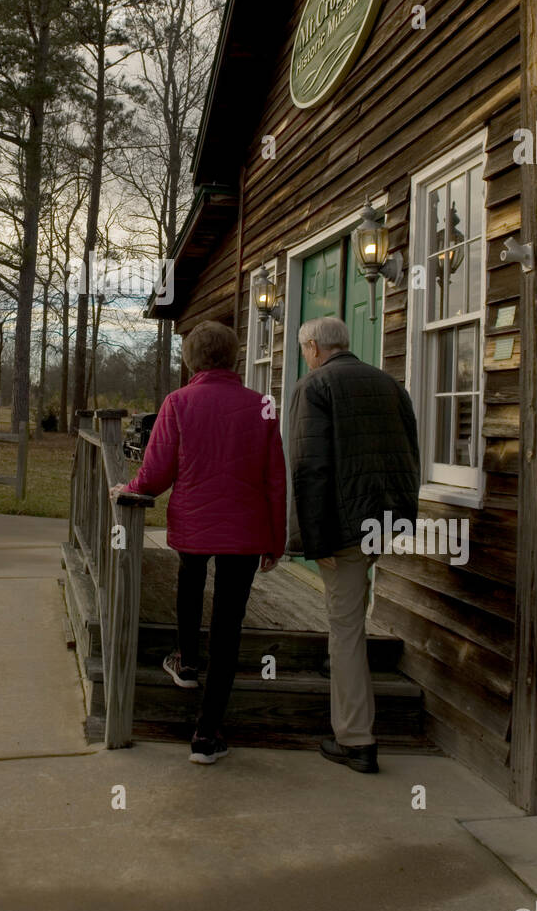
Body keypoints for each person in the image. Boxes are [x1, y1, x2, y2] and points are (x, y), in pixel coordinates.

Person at [111, 320, 286, 765]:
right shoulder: (263, 406)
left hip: (195, 521)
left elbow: (157, 471)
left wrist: (129, 488)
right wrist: (275, 538)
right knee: (229, 626)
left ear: (190, 360)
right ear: (233, 358)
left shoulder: (178, 402)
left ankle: (187, 662)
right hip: (246, 531)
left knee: (190, 580)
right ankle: (206, 736)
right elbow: (274, 480)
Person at [288, 316, 420, 774]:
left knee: (345, 628)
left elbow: (310, 468)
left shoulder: (314, 386)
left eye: (304, 348)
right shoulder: (390, 384)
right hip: (381, 520)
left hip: (342, 526)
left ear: (313, 347)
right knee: (350, 617)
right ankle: (340, 676)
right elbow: (409, 455)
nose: (304, 355)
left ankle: (356, 739)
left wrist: (312, 536)